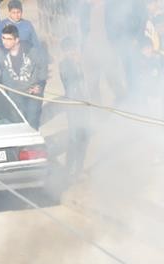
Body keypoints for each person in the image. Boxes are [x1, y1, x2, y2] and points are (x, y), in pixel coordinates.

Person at [0, 23, 44, 129]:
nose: (5, 41)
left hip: (32, 94)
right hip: (15, 95)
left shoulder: (31, 51)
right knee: (18, 124)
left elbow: (43, 68)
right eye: (3, 38)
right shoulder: (1, 54)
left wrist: (40, 85)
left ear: (17, 40)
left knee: (32, 123)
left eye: (9, 39)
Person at [58, 35, 89, 177]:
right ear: (65, 51)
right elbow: (69, 80)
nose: (72, 52)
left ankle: (79, 169)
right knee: (74, 138)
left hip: (83, 104)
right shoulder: (64, 65)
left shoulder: (79, 63)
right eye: (69, 50)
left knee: (84, 138)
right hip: (73, 106)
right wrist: (77, 64)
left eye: (73, 48)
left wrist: (79, 64)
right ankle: (69, 169)